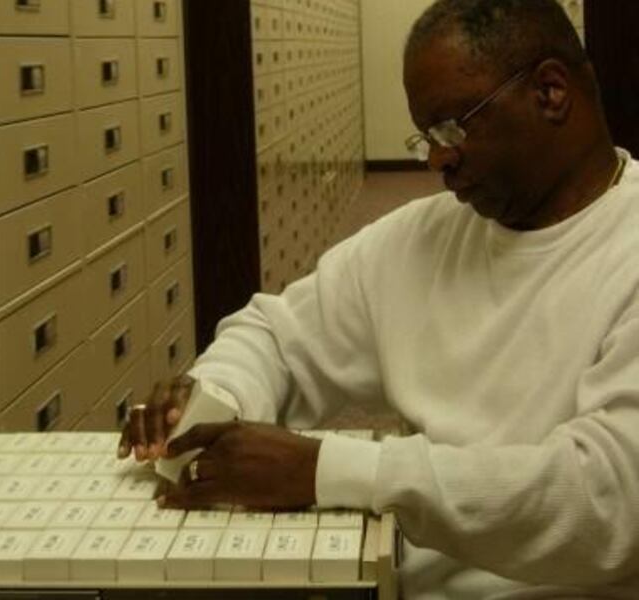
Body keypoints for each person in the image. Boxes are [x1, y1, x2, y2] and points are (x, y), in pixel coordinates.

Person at [119, 0, 639, 597]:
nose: (439, 160)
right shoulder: (422, 239)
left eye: (453, 128)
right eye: (426, 137)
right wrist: (213, 397)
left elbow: (609, 499)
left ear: (551, 92)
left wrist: (328, 471)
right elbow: (277, 337)